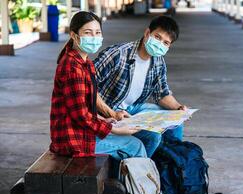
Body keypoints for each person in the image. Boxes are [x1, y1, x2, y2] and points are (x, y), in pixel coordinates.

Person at [49, 11, 147, 160]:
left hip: (80, 131)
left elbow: (86, 106)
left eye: (97, 32)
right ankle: (141, 183)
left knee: (133, 142)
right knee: (135, 145)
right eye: (88, 33)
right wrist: (113, 129)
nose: (94, 38)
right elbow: (80, 115)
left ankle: (122, 181)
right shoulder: (72, 68)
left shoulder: (85, 62)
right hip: (73, 139)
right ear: (74, 35)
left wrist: (104, 119)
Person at [94, 15, 188, 157]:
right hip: (107, 109)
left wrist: (179, 108)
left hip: (130, 108)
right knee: (153, 137)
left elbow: (161, 94)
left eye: (166, 42)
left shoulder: (158, 62)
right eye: (157, 37)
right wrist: (110, 114)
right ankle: (135, 168)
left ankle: (174, 161)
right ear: (147, 33)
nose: (160, 44)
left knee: (175, 119)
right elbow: (86, 85)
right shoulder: (118, 54)